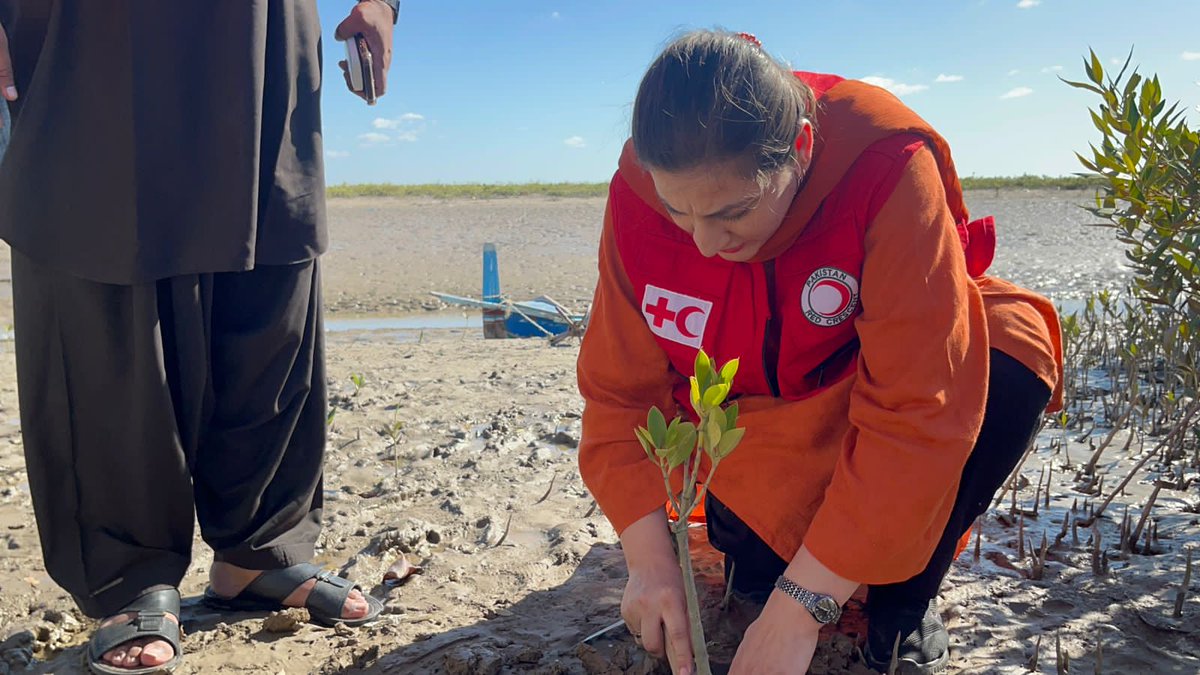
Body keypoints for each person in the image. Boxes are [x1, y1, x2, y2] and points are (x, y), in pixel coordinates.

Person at [577, 30, 1063, 675]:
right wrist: (648, 562)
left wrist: (801, 609)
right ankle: (766, 563)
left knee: (1009, 351)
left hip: (869, 392)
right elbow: (619, 392)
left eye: (735, 211)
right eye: (679, 213)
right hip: (751, 426)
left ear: (801, 148)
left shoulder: (885, 165)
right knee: (758, 585)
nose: (703, 245)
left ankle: (902, 603)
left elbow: (921, 406)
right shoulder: (639, 192)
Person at [0, 1, 399, 672]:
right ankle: (126, 575)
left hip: (265, 22)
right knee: (101, 247)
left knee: (274, 250)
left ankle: (260, 549)